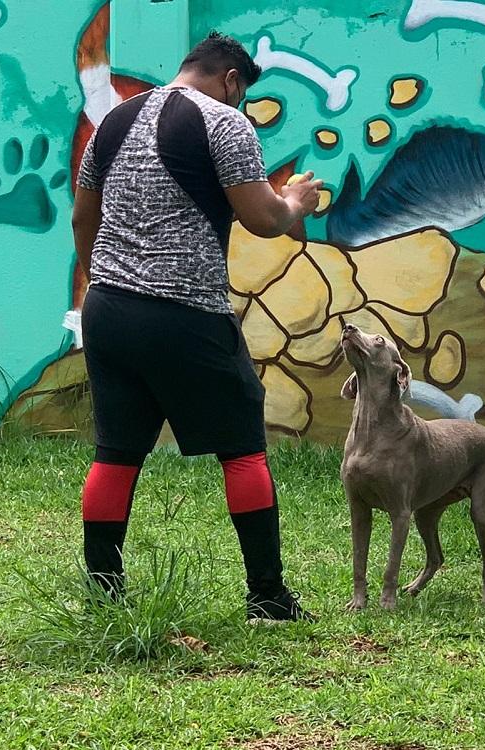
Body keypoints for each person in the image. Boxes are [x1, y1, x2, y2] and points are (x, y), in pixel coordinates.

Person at [71, 31, 321, 622]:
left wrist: (101, 282)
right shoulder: (225, 123)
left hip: (107, 308)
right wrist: (297, 203)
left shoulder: (112, 121)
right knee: (241, 449)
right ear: (232, 80)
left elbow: (84, 215)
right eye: (240, 93)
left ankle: (105, 595)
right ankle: (267, 596)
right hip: (185, 313)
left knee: (116, 451)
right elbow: (263, 219)